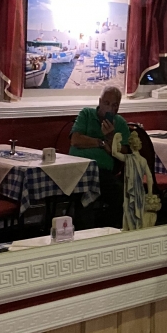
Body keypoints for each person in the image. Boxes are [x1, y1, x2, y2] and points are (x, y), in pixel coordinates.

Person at [70, 86, 130, 228]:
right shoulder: (86, 114)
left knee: (121, 196)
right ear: (100, 102)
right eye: (107, 103)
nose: (110, 109)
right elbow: (76, 140)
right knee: (83, 192)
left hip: (102, 172)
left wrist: (110, 136)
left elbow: (125, 152)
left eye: (115, 105)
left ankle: (108, 229)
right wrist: (102, 143)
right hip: (78, 168)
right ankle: (85, 233)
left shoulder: (120, 123)